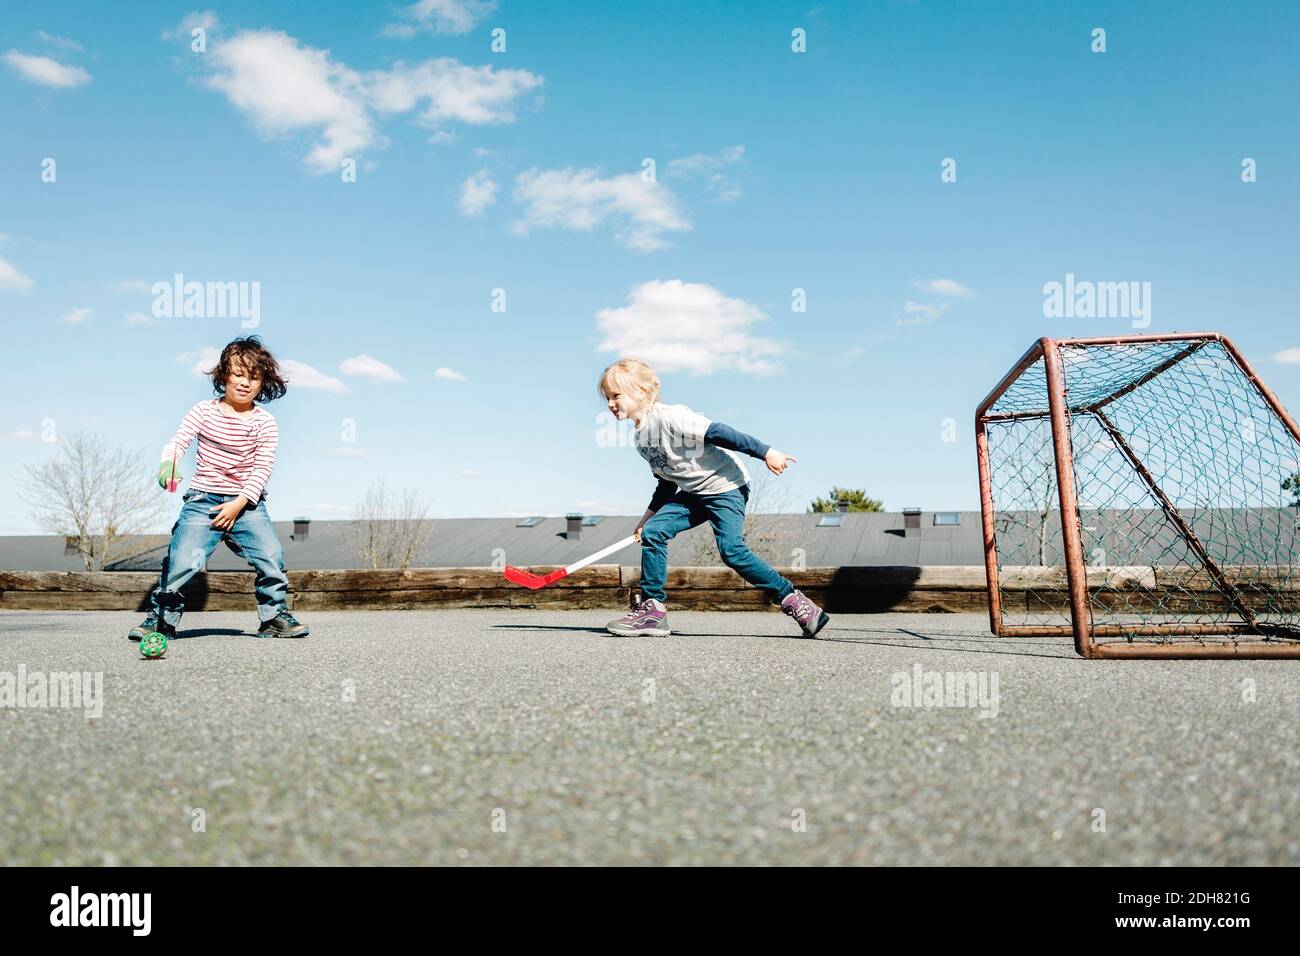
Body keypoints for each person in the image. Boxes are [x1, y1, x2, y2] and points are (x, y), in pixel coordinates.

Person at [598, 357, 829, 638]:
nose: (610, 403)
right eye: (607, 397)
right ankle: (652, 611)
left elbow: (721, 433)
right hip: (694, 493)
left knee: (731, 550)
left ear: (642, 392)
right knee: (654, 532)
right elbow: (666, 483)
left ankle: (795, 601)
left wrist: (767, 452)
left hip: (726, 487)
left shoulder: (671, 417)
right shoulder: (640, 438)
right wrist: (646, 519)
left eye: (616, 395)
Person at [128, 336, 309, 641]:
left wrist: (238, 504)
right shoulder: (203, 411)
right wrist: (168, 464)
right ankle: (161, 620)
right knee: (182, 559)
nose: (244, 383)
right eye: (238, 374)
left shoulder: (265, 422)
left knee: (271, 555)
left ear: (263, 382)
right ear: (224, 375)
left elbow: (262, 468)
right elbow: (178, 442)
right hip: (203, 501)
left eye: (253, 377)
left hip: (246, 504)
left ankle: (274, 617)